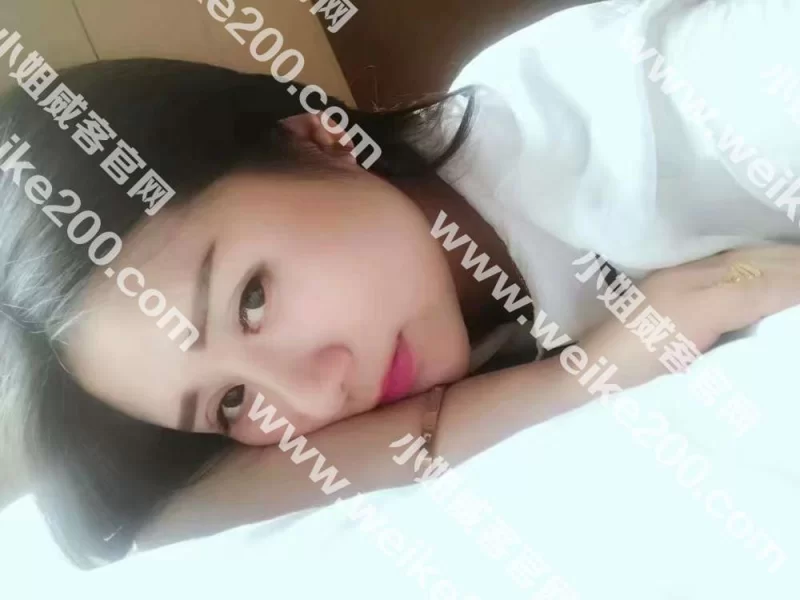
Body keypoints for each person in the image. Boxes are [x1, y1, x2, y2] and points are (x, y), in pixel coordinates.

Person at [2, 0, 799, 568]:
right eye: (231, 403)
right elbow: (156, 522)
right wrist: (582, 376)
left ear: (317, 141)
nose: (315, 398)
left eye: (252, 300)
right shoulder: (408, 331)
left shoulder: (655, 105)